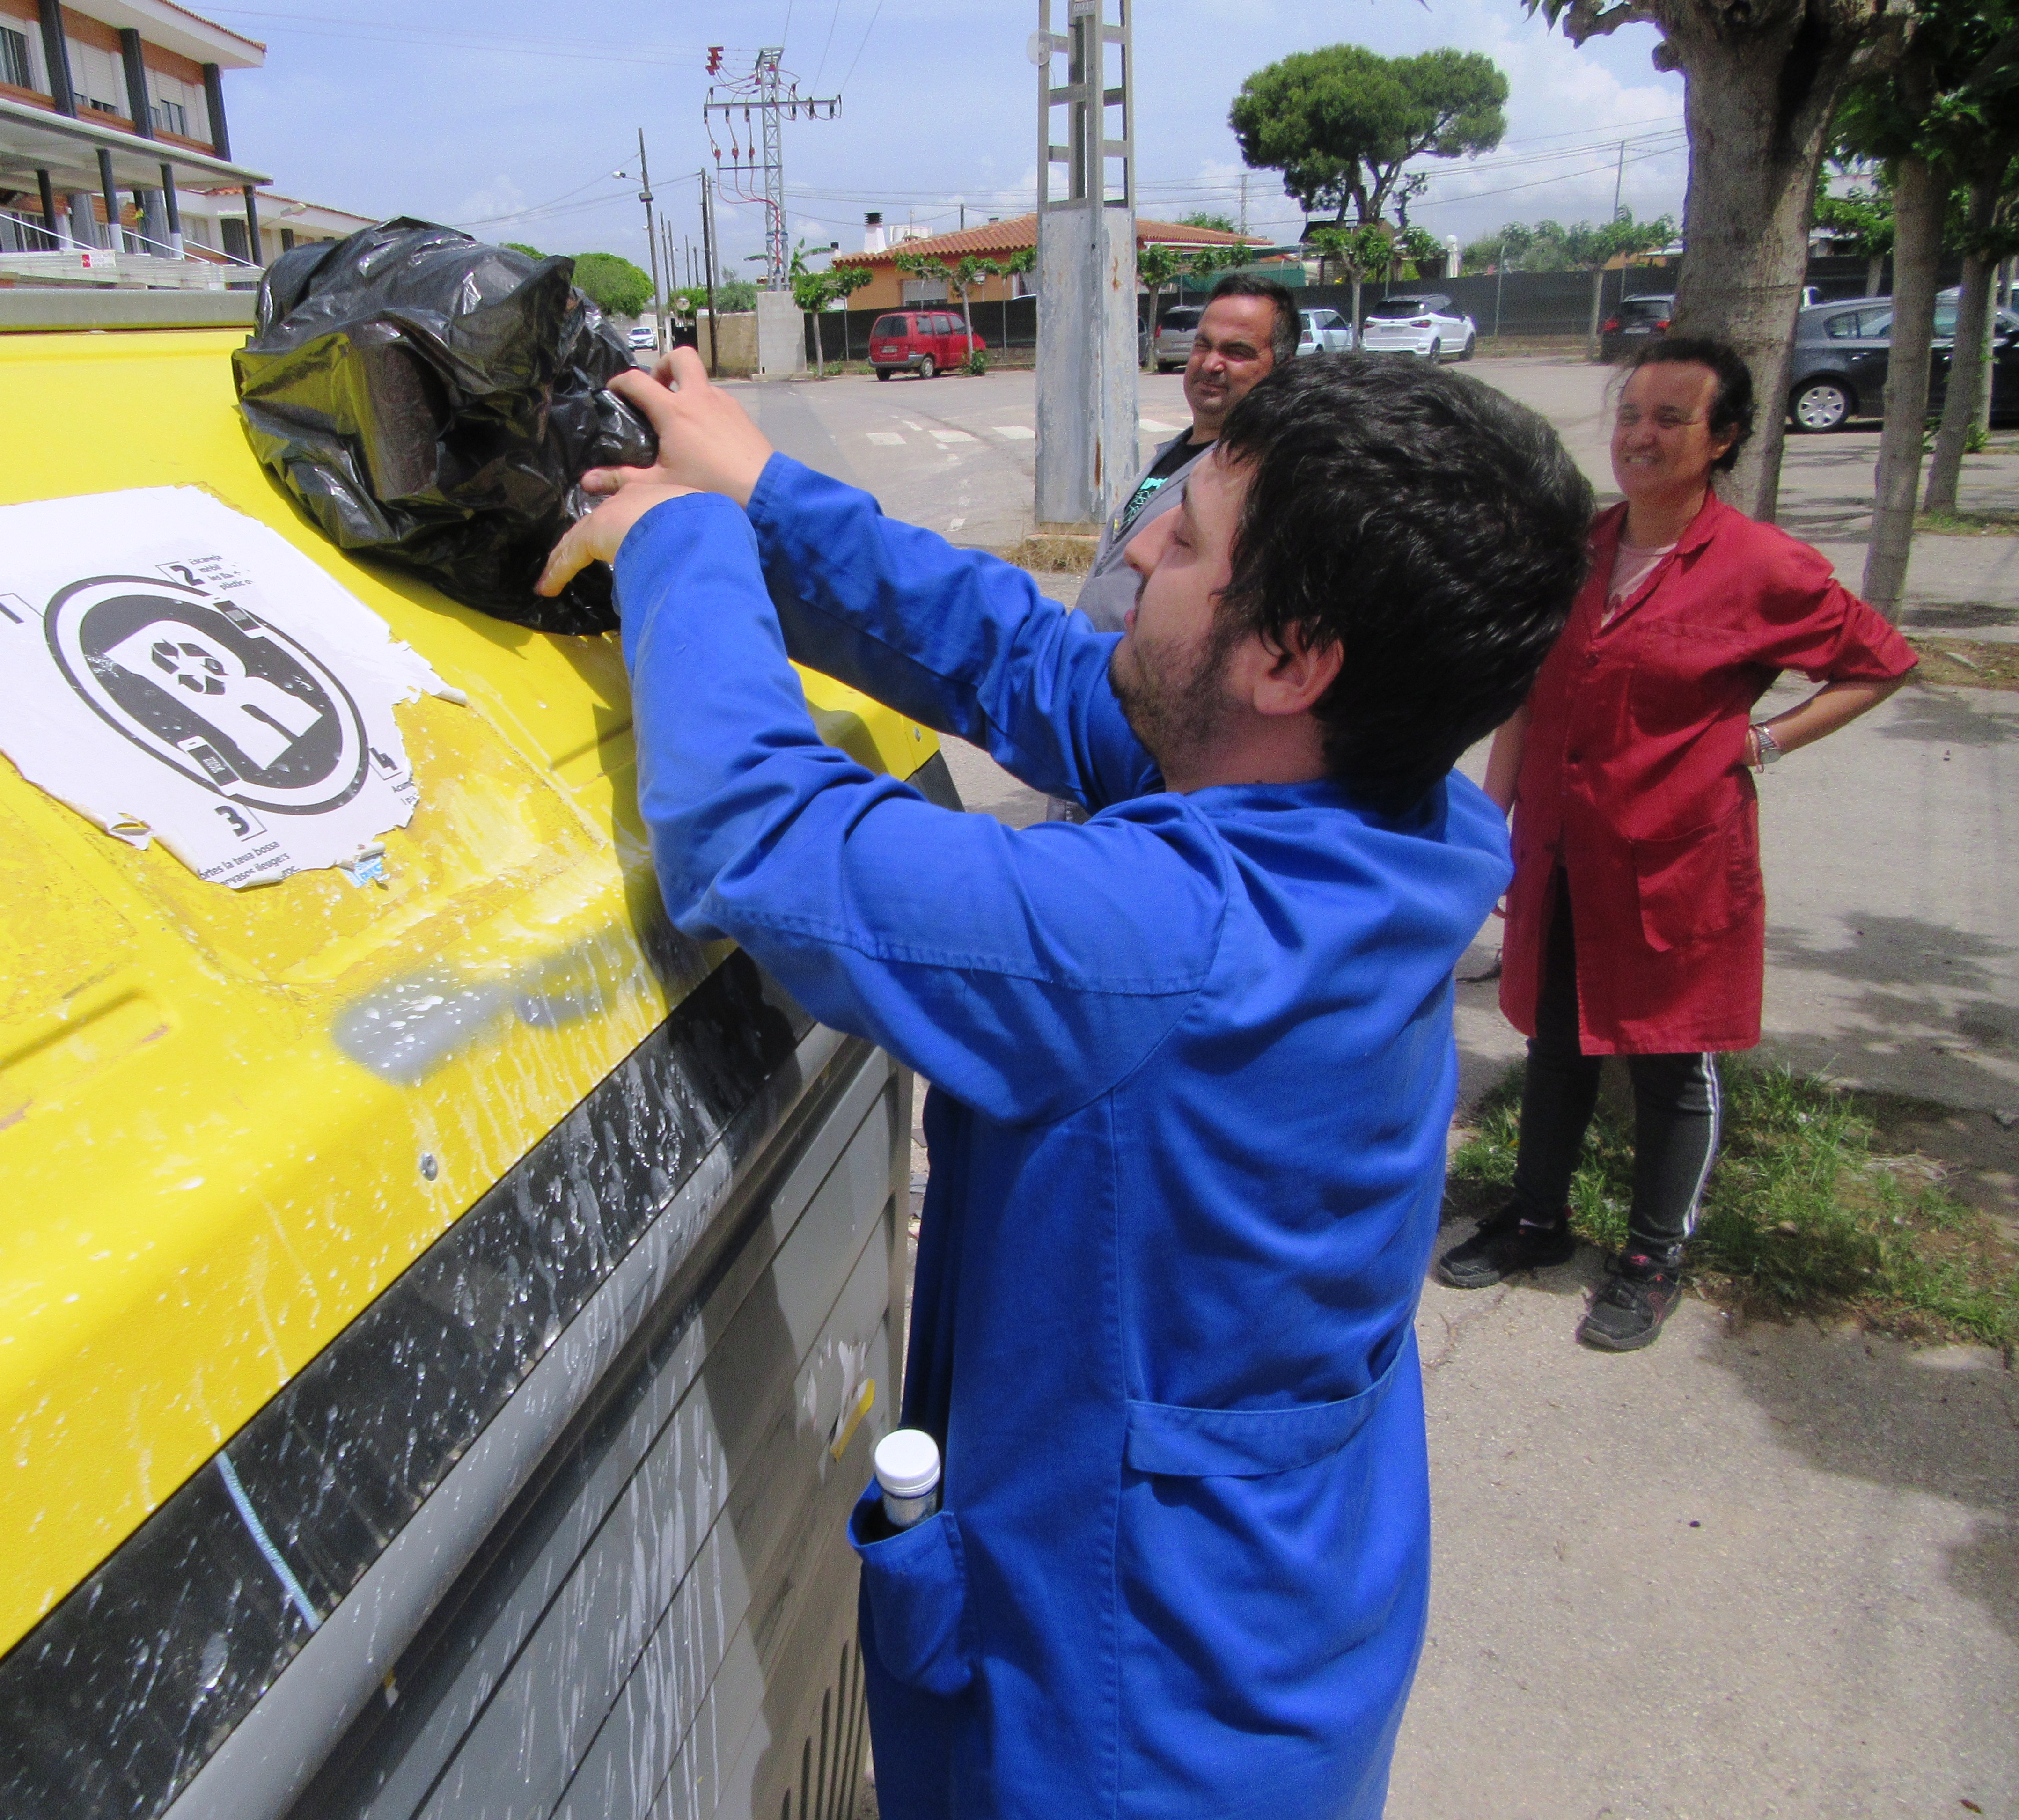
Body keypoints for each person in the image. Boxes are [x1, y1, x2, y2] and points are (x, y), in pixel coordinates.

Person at [536, 347, 1591, 1817]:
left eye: (1193, 539)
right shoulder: (1377, 817)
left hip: (1134, 1721)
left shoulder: (1170, 938)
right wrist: (764, 489)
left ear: (1292, 658)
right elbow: (1026, 663)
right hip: (1290, 1622)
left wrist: (683, 542)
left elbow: (762, 840)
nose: (1143, 541)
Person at [1440, 337, 1917, 1351]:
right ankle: (1536, 1221)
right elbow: (1531, 693)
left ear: (1725, 437)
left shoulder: (1762, 567)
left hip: (1675, 859)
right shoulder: (1577, 549)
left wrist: (1764, 741)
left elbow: (1879, 663)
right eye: (1630, 416)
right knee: (1555, 1042)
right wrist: (1496, 823)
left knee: (1669, 1061)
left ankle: (1655, 1256)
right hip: (1564, 851)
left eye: (1668, 419)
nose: (1640, 437)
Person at [1071, 271, 1301, 633]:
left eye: (1236, 352)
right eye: (1203, 345)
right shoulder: (1176, 451)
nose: (1211, 364)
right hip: (1094, 667)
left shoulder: (1255, 477)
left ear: (1282, 370)